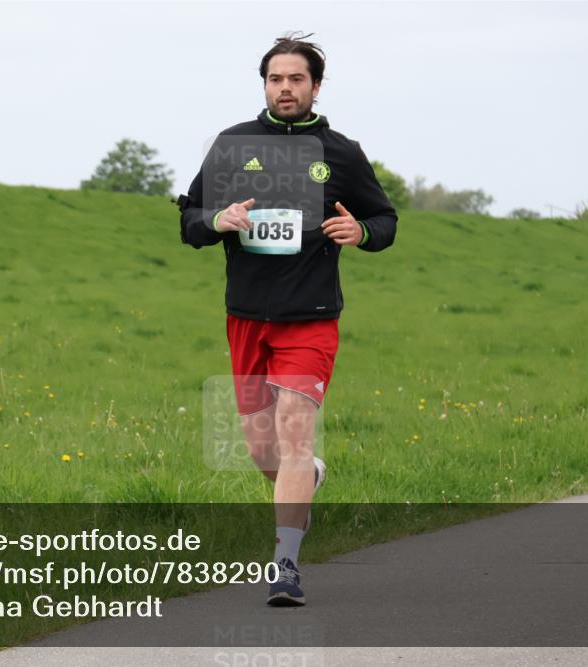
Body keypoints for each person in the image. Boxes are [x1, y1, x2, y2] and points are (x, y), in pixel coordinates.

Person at [177, 34, 397, 606]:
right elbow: (190, 221)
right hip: (247, 315)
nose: (285, 89)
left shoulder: (340, 152)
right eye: (276, 79)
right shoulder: (232, 145)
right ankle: (307, 486)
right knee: (261, 450)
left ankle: (286, 565)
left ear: (316, 87)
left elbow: (383, 217)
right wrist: (217, 220)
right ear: (265, 85)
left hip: (311, 315)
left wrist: (363, 232)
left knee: (295, 434)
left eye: (296, 79)